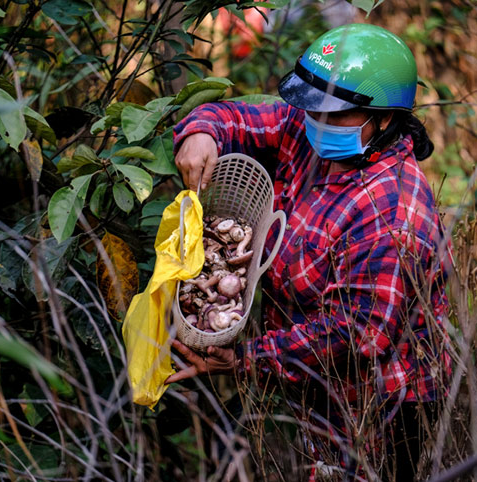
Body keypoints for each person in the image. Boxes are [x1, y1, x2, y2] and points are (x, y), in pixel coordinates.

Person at [165, 23, 452, 480]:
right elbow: (244, 119)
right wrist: (201, 132)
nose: (315, 121)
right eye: (313, 108)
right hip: (312, 384)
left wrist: (245, 360)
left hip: (376, 405)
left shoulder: (391, 215)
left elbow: (356, 334)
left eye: (332, 114)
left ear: (382, 120)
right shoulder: (312, 131)